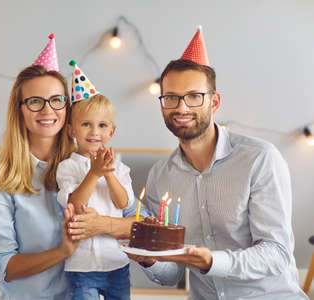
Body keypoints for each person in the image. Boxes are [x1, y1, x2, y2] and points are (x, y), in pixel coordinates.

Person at [127, 27, 308, 299]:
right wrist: (148, 258)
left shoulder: (259, 159)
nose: (181, 107)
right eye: (171, 97)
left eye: (194, 96)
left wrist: (212, 261)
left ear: (215, 102)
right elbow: (172, 273)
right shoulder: (160, 176)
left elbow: (276, 253)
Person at [0, 34, 79, 299]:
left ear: (67, 108)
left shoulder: (85, 169)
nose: (48, 110)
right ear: (20, 110)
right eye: (35, 101)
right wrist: (63, 251)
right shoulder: (2, 177)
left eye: (57, 100)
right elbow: (5, 268)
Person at [56, 60, 135, 300]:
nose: (94, 132)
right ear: (71, 131)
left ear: (111, 132)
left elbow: (123, 203)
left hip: (117, 262)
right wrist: (94, 173)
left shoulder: (119, 167)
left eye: (102, 125)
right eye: (86, 125)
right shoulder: (67, 167)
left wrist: (108, 173)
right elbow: (74, 205)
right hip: (81, 266)